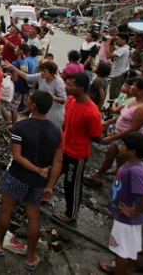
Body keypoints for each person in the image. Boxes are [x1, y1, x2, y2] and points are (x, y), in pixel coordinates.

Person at [0, 90, 63, 272]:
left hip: (17, 176)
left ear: (33, 106)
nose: (26, 100)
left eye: (28, 99)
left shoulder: (21, 126)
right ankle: (30, 257)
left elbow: (17, 157)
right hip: (39, 183)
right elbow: (58, 161)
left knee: (6, 210)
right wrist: (49, 185)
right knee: (33, 216)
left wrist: (36, 169)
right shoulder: (57, 131)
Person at [98, 133, 143, 275]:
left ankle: (120, 271)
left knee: (120, 250)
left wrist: (132, 212)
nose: (120, 146)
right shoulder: (131, 163)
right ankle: (123, 270)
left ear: (132, 151)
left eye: (122, 144)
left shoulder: (135, 171)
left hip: (126, 220)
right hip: (123, 217)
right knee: (127, 249)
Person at [85, 77, 143, 186]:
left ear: (141, 91)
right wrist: (108, 123)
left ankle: (119, 183)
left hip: (130, 140)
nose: (131, 87)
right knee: (110, 155)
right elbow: (123, 116)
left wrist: (113, 137)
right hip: (120, 135)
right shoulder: (134, 100)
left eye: (134, 86)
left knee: (124, 160)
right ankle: (102, 175)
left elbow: (134, 128)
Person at [55, 73, 103, 224]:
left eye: (70, 85)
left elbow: (96, 136)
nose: (66, 87)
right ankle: (43, 196)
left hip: (77, 154)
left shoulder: (91, 112)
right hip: (63, 148)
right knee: (52, 173)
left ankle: (71, 213)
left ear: (81, 89)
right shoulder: (71, 101)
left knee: (71, 184)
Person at [4, 60, 66, 128]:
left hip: (54, 112)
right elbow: (27, 77)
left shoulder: (58, 82)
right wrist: (13, 67)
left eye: (44, 71)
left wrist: (53, 97)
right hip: (42, 110)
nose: (42, 73)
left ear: (51, 73)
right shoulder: (40, 76)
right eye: (41, 70)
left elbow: (63, 100)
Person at [105, 33, 131, 100]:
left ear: (124, 40)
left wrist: (107, 43)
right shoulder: (121, 48)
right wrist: (111, 43)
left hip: (118, 74)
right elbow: (112, 51)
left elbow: (108, 55)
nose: (116, 41)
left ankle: (114, 108)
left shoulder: (124, 49)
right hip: (119, 72)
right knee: (114, 91)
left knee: (114, 92)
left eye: (117, 39)